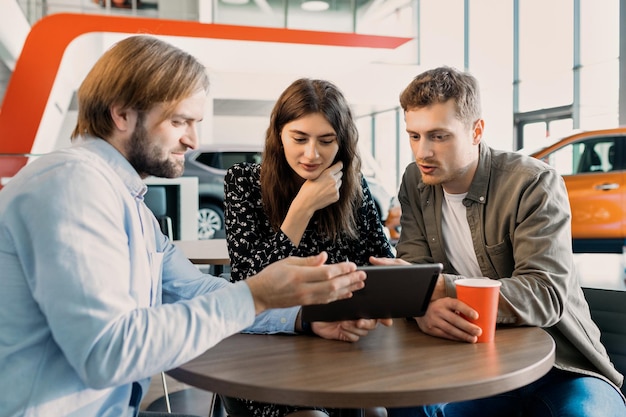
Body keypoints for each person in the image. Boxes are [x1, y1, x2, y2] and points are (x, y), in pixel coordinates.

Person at [0, 36, 372, 417]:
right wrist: (255, 295)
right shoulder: (73, 187)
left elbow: (191, 288)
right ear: (122, 115)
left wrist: (300, 316)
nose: (193, 141)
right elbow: (107, 352)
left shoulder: (126, 201)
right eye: (180, 121)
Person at [370, 66, 626, 417]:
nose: (423, 152)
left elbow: (545, 296)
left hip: (561, 365)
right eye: (414, 136)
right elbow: (414, 272)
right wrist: (422, 307)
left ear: (476, 131)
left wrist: (436, 288)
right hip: (472, 363)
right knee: (412, 406)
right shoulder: (415, 181)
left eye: (438, 136)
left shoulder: (533, 183)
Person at [222, 78, 395, 417]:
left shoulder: (353, 187)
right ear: (279, 135)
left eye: (327, 141)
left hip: (342, 341)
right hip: (269, 347)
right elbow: (248, 280)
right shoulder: (244, 182)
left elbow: (381, 263)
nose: (312, 154)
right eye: (299, 139)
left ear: (341, 143)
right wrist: (302, 208)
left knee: (376, 412)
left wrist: (370, 307)